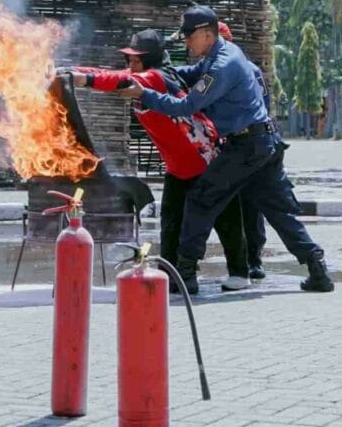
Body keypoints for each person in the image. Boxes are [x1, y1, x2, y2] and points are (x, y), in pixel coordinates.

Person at [119, 5, 334, 294]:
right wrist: (161, 75)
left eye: (189, 37)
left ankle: (185, 272)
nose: (186, 42)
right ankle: (316, 267)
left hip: (245, 146)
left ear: (207, 34)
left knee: (201, 198)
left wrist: (145, 93)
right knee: (279, 212)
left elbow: (187, 106)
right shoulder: (220, 55)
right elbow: (191, 72)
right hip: (262, 144)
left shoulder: (222, 66)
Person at [65, 28, 250, 291]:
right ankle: (176, 276)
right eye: (129, 59)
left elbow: (114, 80)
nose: (130, 64)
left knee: (223, 220)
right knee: (172, 223)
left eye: (135, 60)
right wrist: (69, 71)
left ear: (148, 61)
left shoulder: (154, 78)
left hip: (205, 159)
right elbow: (105, 72)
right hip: (178, 167)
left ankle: (239, 273)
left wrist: (80, 79)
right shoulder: (145, 76)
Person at [218, 21, 267, 280]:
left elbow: (263, 106)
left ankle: (254, 259)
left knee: (251, 204)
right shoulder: (212, 70)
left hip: (248, 145)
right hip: (227, 148)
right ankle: (242, 261)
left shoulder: (248, 70)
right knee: (235, 206)